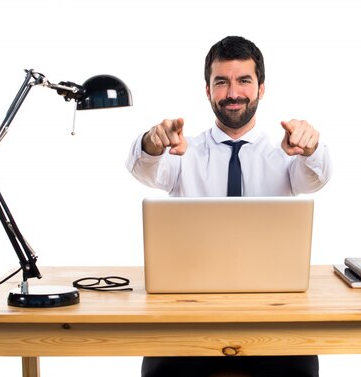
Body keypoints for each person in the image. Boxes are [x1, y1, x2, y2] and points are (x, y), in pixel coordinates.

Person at [126, 36, 332, 377]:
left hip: (273, 317)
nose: (232, 92)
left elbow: (316, 177)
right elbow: (144, 169)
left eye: (244, 81)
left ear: (261, 88)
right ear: (207, 91)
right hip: (188, 317)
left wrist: (311, 148)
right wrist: (152, 142)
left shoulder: (285, 152)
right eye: (221, 82)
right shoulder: (182, 151)